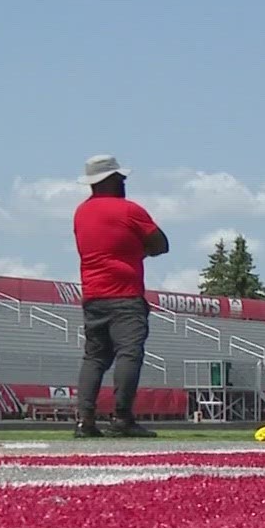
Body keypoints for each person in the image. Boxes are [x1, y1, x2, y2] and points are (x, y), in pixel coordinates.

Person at [71, 154, 168, 439]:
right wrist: (139, 250)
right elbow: (161, 244)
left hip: (92, 295)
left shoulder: (81, 212)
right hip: (125, 295)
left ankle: (85, 420)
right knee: (129, 353)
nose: (124, 182)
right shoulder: (129, 211)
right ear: (111, 181)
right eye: (121, 178)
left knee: (94, 357)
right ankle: (122, 417)